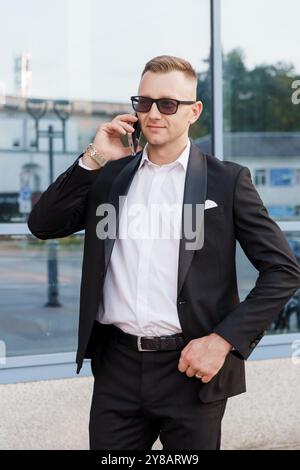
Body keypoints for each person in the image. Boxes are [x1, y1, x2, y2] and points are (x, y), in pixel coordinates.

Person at [27, 55, 300, 450]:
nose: (154, 113)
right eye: (144, 102)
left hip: (191, 371)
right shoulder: (110, 177)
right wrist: (93, 158)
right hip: (117, 368)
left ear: (194, 111)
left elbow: (283, 270)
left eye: (168, 104)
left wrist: (222, 342)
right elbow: (43, 224)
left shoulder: (226, 181)